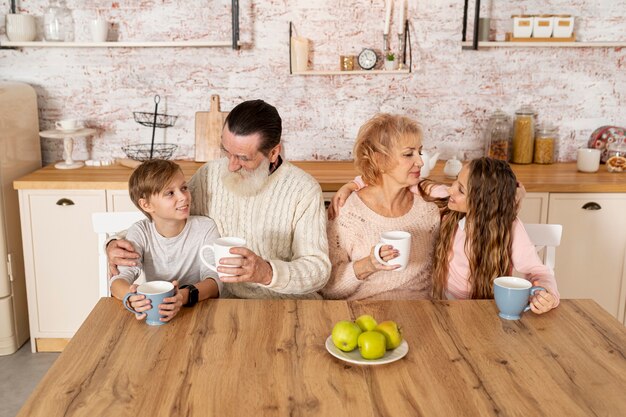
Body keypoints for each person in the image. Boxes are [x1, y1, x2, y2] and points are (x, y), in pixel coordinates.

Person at [107, 99, 331, 299]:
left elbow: (318, 270)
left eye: (243, 158)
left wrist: (266, 272)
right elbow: (166, 220)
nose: (231, 166)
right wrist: (115, 244)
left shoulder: (303, 190)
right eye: (226, 152)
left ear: (273, 153)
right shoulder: (210, 175)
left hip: (283, 306)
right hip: (220, 304)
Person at [320, 113, 440, 300]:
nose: (420, 162)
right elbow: (329, 289)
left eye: (420, 152)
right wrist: (369, 264)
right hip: (365, 314)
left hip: (422, 314)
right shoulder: (348, 212)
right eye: (409, 154)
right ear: (379, 160)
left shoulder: (429, 210)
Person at [431, 157, 559, 312]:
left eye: (461, 189)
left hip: (488, 310)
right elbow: (419, 186)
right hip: (444, 305)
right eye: (456, 181)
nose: (450, 190)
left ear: (483, 203)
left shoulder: (510, 228)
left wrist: (546, 293)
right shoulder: (451, 207)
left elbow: (538, 272)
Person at [110, 159, 222, 322]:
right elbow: (118, 280)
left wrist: (183, 296)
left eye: (184, 188)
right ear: (147, 205)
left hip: (199, 313)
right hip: (156, 314)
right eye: (170, 193)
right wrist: (131, 297)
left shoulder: (205, 227)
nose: (183, 196)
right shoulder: (140, 232)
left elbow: (214, 280)